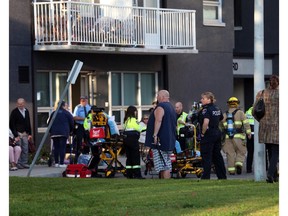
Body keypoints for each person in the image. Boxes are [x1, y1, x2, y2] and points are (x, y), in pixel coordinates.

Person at [145, 90, 177, 179]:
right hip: (170, 139)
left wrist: (155, 135)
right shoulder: (171, 107)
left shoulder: (161, 107)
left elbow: (158, 120)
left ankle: (165, 182)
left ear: (162, 97)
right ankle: (164, 182)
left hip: (161, 139)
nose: (157, 97)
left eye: (158, 95)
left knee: (163, 164)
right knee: (166, 161)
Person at [253, 75, 279, 183]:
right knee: (276, 151)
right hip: (278, 126)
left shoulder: (261, 93)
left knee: (269, 150)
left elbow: (254, 111)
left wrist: (262, 121)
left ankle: (274, 175)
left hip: (264, 126)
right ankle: (270, 173)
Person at [198, 92, 226, 180]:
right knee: (217, 155)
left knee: (206, 156)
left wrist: (202, 133)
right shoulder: (217, 108)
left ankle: (205, 177)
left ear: (209, 99)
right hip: (217, 133)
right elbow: (222, 118)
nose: (201, 100)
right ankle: (222, 176)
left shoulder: (206, 110)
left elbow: (206, 122)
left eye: (203, 98)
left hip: (208, 134)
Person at [221, 97, 252, 175]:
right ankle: (238, 164)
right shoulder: (240, 113)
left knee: (230, 154)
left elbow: (221, 127)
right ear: (237, 103)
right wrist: (249, 133)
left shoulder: (225, 114)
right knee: (241, 152)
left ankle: (231, 171)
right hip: (239, 137)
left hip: (228, 138)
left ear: (228, 104)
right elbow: (246, 123)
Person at [48, 101, 74, 168]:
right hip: (63, 132)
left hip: (54, 133)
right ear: (63, 106)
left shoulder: (53, 113)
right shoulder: (67, 113)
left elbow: (49, 123)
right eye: (66, 105)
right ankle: (61, 163)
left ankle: (56, 162)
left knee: (56, 147)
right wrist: (71, 131)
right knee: (62, 147)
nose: (67, 106)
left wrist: (51, 131)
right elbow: (72, 122)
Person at [9, 98, 32, 169]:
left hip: (25, 133)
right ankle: (18, 163)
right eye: (18, 104)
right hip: (18, 134)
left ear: (24, 103)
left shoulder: (26, 111)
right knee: (19, 148)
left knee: (25, 148)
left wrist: (30, 133)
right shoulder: (14, 112)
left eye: (21, 104)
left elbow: (28, 122)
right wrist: (15, 135)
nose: (20, 105)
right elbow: (12, 124)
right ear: (17, 104)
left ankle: (24, 163)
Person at [123, 106, 145, 179]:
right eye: (135, 111)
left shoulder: (126, 120)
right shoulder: (133, 120)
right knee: (135, 157)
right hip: (133, 140)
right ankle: (137, 174)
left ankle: (129, 174)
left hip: (126, 140)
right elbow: (139, 128)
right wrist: (147, 128)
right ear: (133, 112)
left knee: (129, 158)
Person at [73, 95, 91, 162]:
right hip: (80, 126)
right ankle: (77, 155)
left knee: (88, 141)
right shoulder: (78, 107)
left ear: (87, 100)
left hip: (88, 127)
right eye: (81, 100)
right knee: (79, 141)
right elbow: (74, 117)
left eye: (84, 100)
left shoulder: (90, 107)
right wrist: (84, 119)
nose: (83, 101)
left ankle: (87, 154)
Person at [245, 106, 254, 173]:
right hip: (257, 134)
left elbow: (245, 123)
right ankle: (265, 167)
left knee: (250, 152)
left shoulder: (248, 111)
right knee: (263, 153)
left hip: (249, 134)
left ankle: (248, 168)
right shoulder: (261, 108)